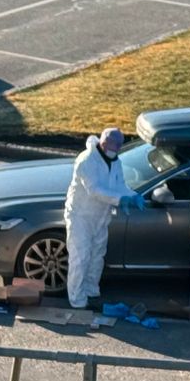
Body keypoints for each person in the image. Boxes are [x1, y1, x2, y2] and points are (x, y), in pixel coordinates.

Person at [62, 126, 131, 310]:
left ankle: (91, 291)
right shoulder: (86, 160)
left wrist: (132, 196)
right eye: (113, 147)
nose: (115, 151)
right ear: (103, 143)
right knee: (80, 257)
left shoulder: (116, 162)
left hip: (100, 217)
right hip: (80, 217)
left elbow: (120, 185)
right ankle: (77, 300)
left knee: (96, 256)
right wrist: (119, 199)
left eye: (118, 148)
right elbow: (94, 190)